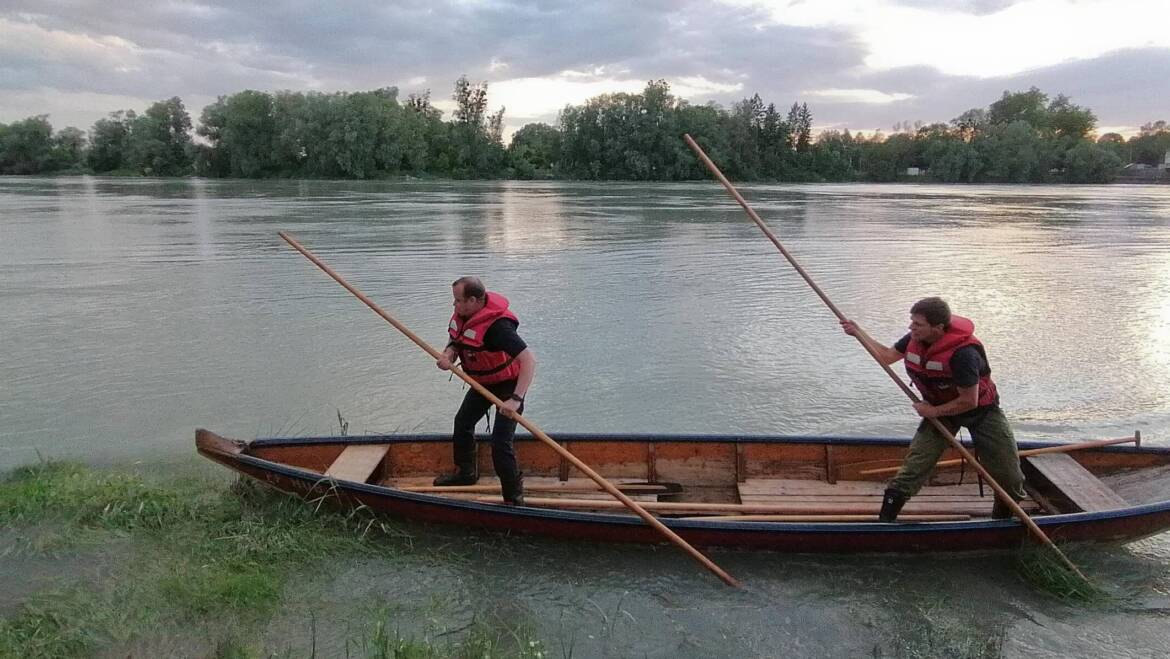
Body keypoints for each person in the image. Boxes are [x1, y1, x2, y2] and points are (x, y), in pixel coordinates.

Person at [840, 297, 1026, 522]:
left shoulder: (963, 355)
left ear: (938, 327)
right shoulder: (915, 339)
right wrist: (858, 333)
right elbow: (886, 357)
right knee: (914, 467)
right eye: (912, 322)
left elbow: (969, 401)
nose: (911, 328)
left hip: (981, 413)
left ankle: (1002, 523)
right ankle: (885, 523)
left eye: (917, 324)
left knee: (1009, 475)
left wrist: (932, 412)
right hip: (939, 411)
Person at [433, 276, 536, 505]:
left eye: (458, 301)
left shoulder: (498, 328)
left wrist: (516, 400)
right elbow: (456, 340)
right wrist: (448, 355)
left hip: (509, 386)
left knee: (500, 442)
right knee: (463, 423)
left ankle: (513, 496)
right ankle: (466, 474)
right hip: (483, 383)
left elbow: (528, 361)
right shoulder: (463, 315)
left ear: (473, 300)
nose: (454, 306)